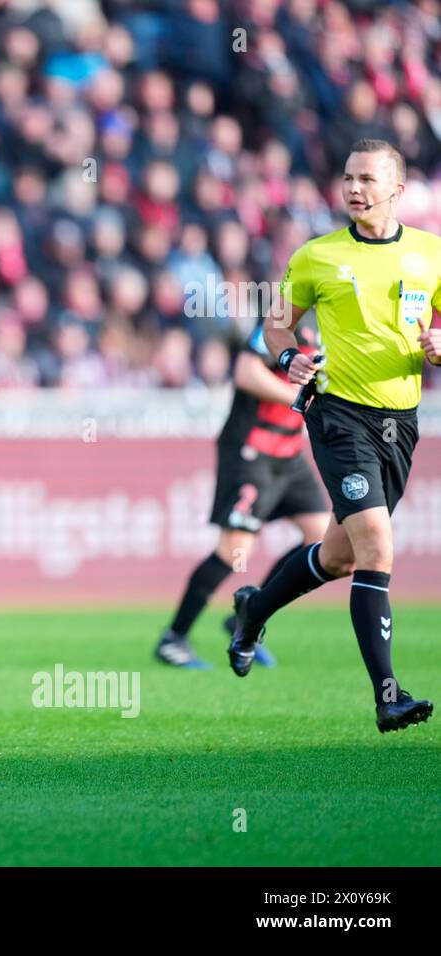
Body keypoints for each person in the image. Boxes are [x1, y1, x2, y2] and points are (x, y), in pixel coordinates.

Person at [229, 139, 441, 733]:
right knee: (377, 546)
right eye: (348, 177)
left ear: (397, 189)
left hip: (402, 421)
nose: (354, 188)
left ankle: (254, 609)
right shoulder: (317, 256)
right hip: (338, 414)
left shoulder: (431, 254)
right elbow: (275, 325)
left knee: (341, 556)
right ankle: (388, 696)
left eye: (368, 179)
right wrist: (291, 354)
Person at [154, 321, 330, 669]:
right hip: (251, 449)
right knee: (234, 550)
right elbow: (247, 372)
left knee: (324, 541)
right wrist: (301, 398)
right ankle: (174, 638)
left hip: (289, 454)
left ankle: (248, 617)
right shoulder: (285, 318)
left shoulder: (336, 321)